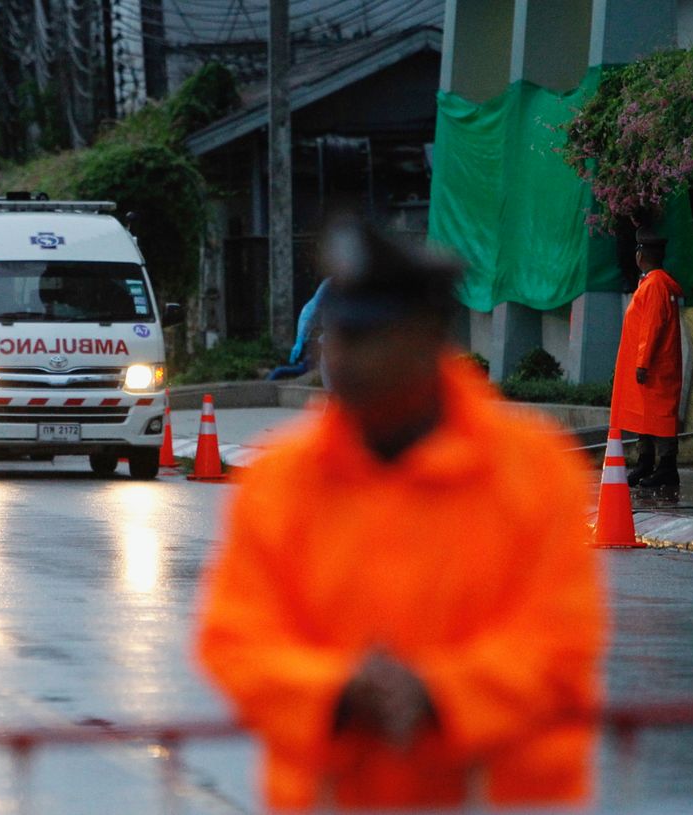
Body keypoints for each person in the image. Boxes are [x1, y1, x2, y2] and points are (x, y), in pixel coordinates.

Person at [196, 215, 605, 811]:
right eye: (336, 337)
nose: (342, 357)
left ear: (424, 339)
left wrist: (441, 697)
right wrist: (337, 693)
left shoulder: (533, 471)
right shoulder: (281, 480)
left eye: (365, 338)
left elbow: (560, 641)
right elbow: (235, 639)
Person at [612, 228, 683, 492]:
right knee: (648, 415)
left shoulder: (654, 286)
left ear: (642, 255)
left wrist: (642, 363)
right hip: (654, 365)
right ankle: (647, 462)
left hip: (654, 366)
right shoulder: (653, 283)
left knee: (659, 416)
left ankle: (666, 467)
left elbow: (651, 328)